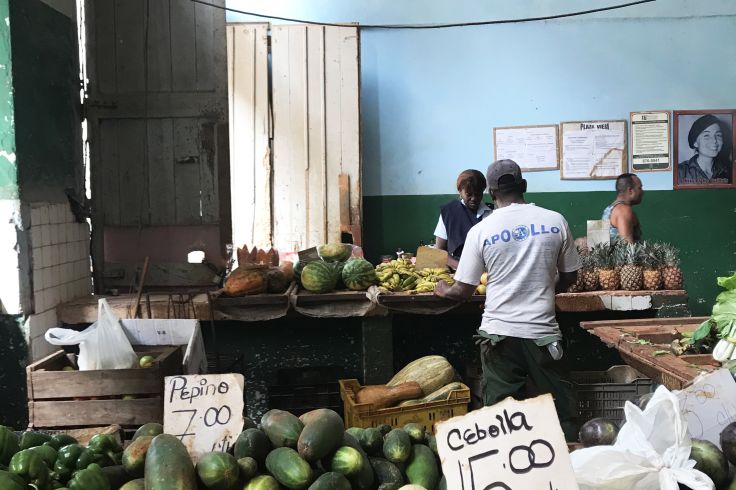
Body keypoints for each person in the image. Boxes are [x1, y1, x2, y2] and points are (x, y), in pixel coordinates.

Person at [435, 159, 581, 441]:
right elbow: (569, 277)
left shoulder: (481, 231)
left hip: (499, 336)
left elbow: (462, 291)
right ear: (524, 186)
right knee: (561, 415)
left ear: (491, 193)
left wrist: (442, 289)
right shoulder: (555, 221)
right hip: (544, 336)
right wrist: (546, 288)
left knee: (501, 421)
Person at [434, 169, 493, 269]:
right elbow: (439, 251)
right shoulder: (449, 212)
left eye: (478, 194)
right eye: (469, 194)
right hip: (459, 272)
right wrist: (463, 268)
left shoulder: (492, 212)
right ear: (460, 191)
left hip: (488, 273)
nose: (474, 198)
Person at [678, 114, 733, 185]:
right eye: (706, 136)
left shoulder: (729, 170)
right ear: (695, 143)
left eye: (718, 135)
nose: (714, 140)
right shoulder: (680, 172)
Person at [601, 173, 643, 243]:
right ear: (630, 191)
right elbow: (627, 246)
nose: (642, 191)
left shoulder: (609, 209)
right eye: (639, 188)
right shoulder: (623, 210)